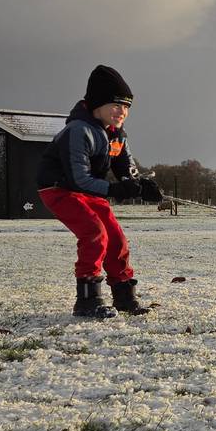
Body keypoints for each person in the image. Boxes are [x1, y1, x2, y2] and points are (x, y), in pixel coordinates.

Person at [36, 64, 164, 319]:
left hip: (90, 191)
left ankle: (124, 296)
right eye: (116, 105)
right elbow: (78, 178)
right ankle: (87, 300)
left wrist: (140, 184)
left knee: (116, 237)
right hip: (60, 189)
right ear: (97, 104)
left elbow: (126, 168)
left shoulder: (118, 135)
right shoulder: (78, 131)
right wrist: (116, 189)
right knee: (94, 232)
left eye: (127, 106)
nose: (122, 111)